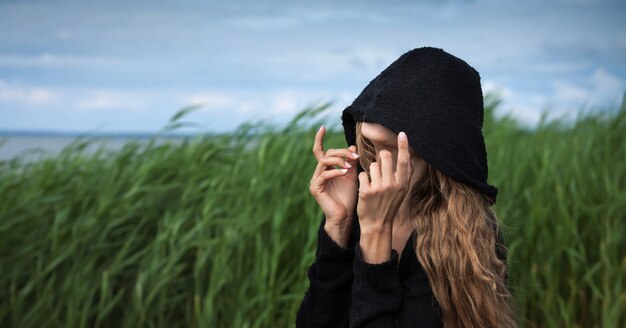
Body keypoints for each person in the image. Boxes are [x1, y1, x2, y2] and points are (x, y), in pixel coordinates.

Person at [296, 47, 517, 327]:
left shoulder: (463, 236)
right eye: (370, 146)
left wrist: (376, 241)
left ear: (439, 155)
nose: (376, 164)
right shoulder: (358, 212)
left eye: (393, 149)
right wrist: (338, 227)